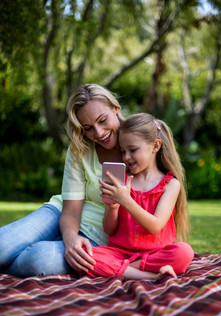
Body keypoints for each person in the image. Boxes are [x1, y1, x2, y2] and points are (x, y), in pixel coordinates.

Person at [0, 84, 125, 277]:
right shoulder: (80, 148)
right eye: (88, 128)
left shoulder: (140, 141)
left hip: (99, 237)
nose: (99, 133)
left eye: (102, 120)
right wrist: (70, 238)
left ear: (115, 109)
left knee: (36, 260)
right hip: (61, 214)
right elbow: (71, 209)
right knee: (3, 245)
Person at [84, 113, 194, 280]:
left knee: (184, 253)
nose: (126, 157)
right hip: (120, 253)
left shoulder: (171, 185)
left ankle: (124, 271)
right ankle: (151, 276)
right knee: (86, 255)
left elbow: (155, 226)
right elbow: (109, 229)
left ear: (155, 146)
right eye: (123, 151)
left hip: (155, 253)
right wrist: (112, 207)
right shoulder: (122, 180)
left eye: (133, 150)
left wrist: (126, 201)